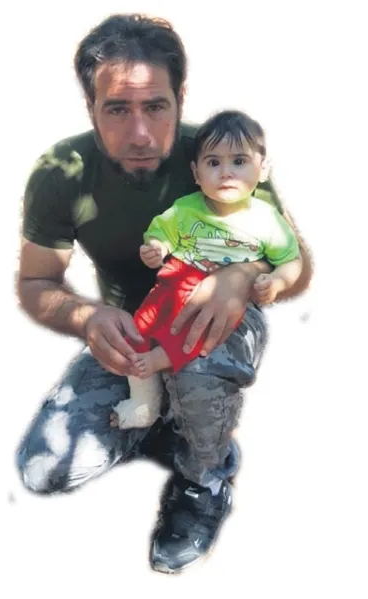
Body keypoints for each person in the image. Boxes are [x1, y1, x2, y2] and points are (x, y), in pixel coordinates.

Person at [15, 13, 312, 574]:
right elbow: (35, 282)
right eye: (117, 109)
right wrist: (85, 317)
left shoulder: (224, 155)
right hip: (136, 327)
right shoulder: (62, 173)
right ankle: (169, 425)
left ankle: (206, 475)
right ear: (89, 107)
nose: (141, 134)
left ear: (181, 97)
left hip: (220, 319)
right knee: (43, 469)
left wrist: (242, 275)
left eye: (156, 106)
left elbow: (296, 265)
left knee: (200, 377)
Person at [110, 109, 302, 430]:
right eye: (213, 163)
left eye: (239, 161)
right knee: (137, 335)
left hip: (222, 300)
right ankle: (144, 404)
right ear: (196, 173)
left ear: (263, 168)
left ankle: (160, 362)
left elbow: (291, 260)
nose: (226, 173)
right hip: (172, 286)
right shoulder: (185, 208)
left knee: (198, 336)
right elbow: (162, 233)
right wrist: (156, 248)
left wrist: (277, 282)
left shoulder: (266, 219)